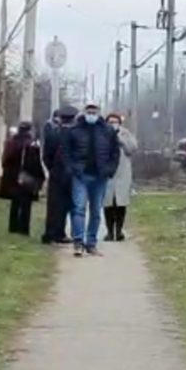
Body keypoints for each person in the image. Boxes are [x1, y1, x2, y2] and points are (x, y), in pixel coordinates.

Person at [63, 103, 120, 257]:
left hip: (100, 176)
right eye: (89, 112)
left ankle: (91, 243)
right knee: (78, 208)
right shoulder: (74, 130)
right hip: (80, 175)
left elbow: (115, 152)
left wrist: (110, 170)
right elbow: (66, 152)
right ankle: (78, 242)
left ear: (99, 113)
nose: (91, 114)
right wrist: (72, 169)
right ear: (84, 113)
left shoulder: (107, 130)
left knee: (96, 211)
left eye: (94, 112)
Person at [0, 122, 46, 236]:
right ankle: (23, 229)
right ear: (30, 130)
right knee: (26, 205)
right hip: (26, 177)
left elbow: (5, 161)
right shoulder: (31, 145)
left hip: (12, 178)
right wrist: (40, 178)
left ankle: (13, 227)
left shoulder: (11, 142)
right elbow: (35, 163)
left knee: (15, 203)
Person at [41, 106, 78, 245]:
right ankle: (60, 233)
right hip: (71, 174)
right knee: (67, 205)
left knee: (54, 205)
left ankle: (51, 233)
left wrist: (52, 169)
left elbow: (46, 156)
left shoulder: (53, 134)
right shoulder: (76, 135)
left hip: (57, 173)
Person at [103, 113, 137, 242]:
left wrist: (121, 139)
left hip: (123, 173)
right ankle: (110, 232)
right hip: (108, 173)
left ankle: (119, 231)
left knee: (121, 203)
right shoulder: (102, 133)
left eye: (115, 122)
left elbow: (132, 149)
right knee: (108, 203)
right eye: (110, 122)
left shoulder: (126, 133)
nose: (113, 124)